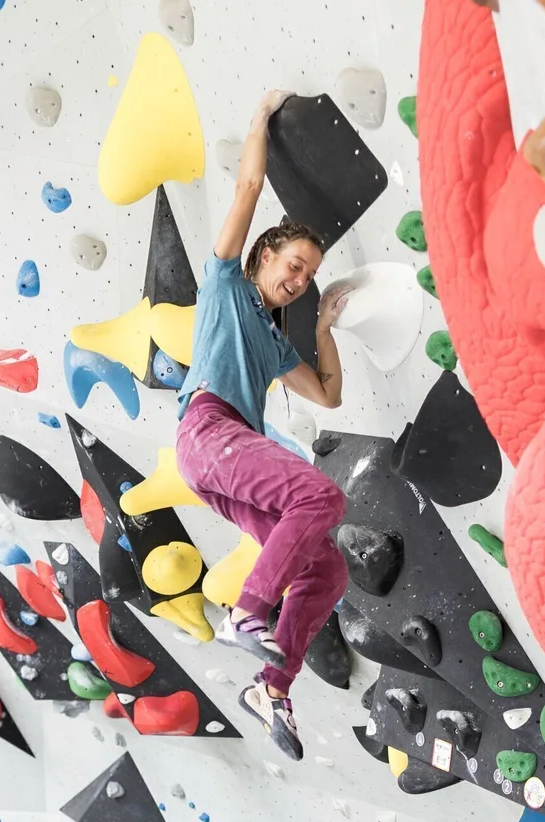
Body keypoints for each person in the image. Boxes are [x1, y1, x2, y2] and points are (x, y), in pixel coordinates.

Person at [174, 88, 352, 761]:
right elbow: (249, 184)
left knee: (327, 567)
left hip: (224, 466)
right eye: (293, 266)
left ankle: (272, 687)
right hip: (207, 430)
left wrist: (325, 329)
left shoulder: (279, 345)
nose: (300, 280)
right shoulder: (224, 287)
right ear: (263, 259)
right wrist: (257, 121)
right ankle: (246, 613)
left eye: (307, 275)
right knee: (321, 496)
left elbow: (328, 395)